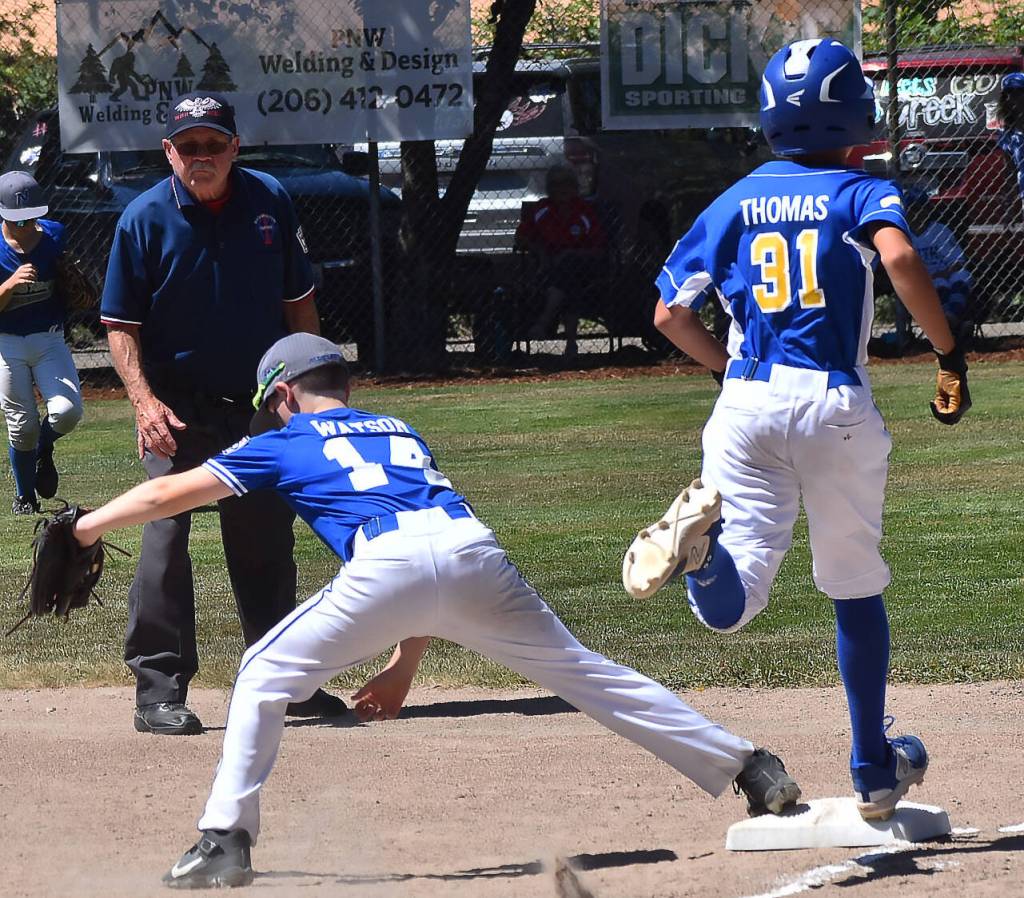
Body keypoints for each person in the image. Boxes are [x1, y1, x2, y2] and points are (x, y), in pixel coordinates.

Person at [70, 332, 801, 888]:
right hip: (472, 551)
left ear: (283, 395)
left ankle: (225, 841)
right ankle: (751, 766)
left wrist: (86, 527)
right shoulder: (397, 428)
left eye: (271, 405)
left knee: (262, 672)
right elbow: (435, 560)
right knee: (586, 674)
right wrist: (403, 665)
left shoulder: (285, 438)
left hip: (388, 564)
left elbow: (171, 492)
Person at [637, 39, 970, 822]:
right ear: (855, 113)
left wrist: (726, 370)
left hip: (744, 405)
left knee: (733, 605)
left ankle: (705, 554)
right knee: (852, 583)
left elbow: (665, 313)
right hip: (830, 406)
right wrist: (948, 351)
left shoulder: (731, 202)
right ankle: (872, 771)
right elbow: (899, 259)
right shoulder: (860, 189)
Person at [100, 91, 344, 736]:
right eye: (188, 147)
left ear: (235, 148)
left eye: (214, 145)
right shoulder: (143, 218)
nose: (200, 157)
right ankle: (158, 689)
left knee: (265, 542)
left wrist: (310, 391)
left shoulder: (269, 202)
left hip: (259, 406)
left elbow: (300, 305)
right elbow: (119, 324)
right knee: (163, 542)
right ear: (168, 152)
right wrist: (143, 401)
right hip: (174, 410)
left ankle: (282, 682)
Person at [0, 170, 84, 515]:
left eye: (31, 217)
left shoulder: (55, 236)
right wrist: (10, 285)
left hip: (49, 337)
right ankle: (25, 498)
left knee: (67, 412)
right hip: (6, 343)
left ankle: (41, 450)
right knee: (21, 425)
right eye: (18, 219)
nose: (26, 225)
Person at [515, 164, 608, 360]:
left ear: (575, 187)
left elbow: (599, 248)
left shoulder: (584, 211)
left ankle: (543, 321)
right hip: (548, 267)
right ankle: (571, 344)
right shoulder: (542, 210)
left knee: (569, 268)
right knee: (569, 284)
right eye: (557, 184)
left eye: (567, 184)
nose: (562, 189)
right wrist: (540, 253)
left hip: (585, 268)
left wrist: (570, 254)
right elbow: (521, 238)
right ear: (550, 188)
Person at [894, 187, 973, 349]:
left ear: (928, 210)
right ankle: (951, 324)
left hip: (947, 272)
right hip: (921, 279)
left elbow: (959, 262)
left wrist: (943, 272)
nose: (917, 214)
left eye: (921, 208)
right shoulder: (903, 234)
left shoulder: (940, 230)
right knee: (938, 283)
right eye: (913, 209)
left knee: (961, 276)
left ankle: (950, 318)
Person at [996, 72, 1024, 213]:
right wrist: (1008, 206)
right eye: (1009, 94)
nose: (1014, 98)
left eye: (1019, 92)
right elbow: (1010, 170)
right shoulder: (1008, 135)